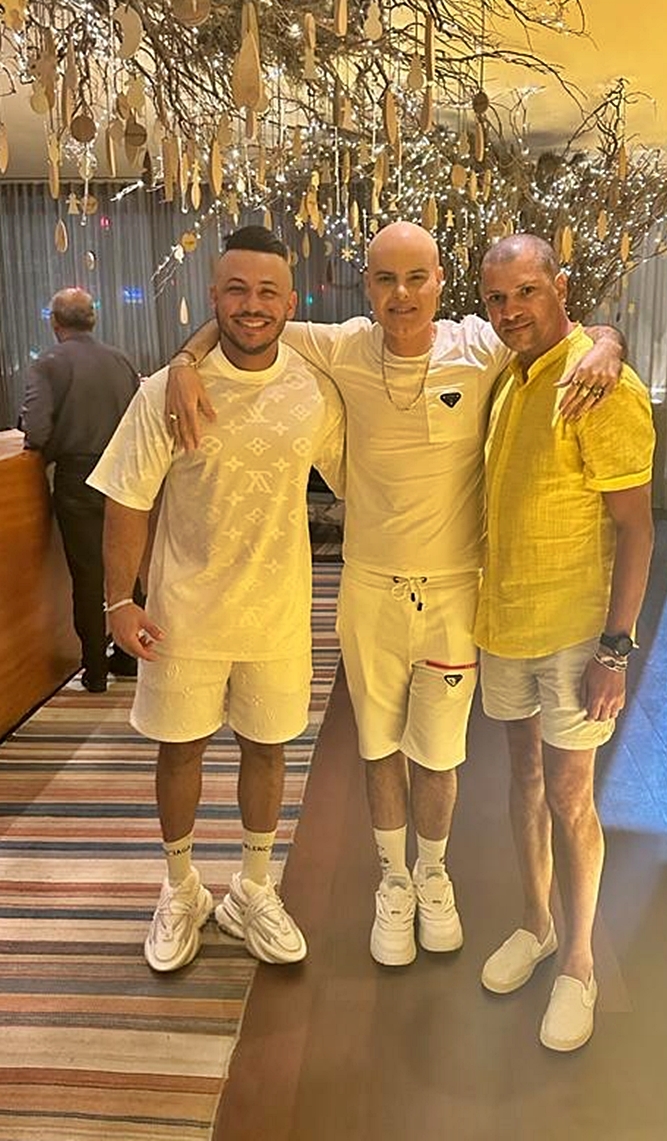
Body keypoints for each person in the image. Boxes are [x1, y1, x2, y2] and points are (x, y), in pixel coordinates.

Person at [166, 221, 624, 968]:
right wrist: (187, 360)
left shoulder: (480, 345)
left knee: (438, 755)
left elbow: (562, 331)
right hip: (368, 588)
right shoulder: (344, 346)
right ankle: (393, 881)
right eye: (385, 279)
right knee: (379, 746)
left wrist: (609, 341)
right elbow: (251, 318)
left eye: (416, 277)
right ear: (368, 287)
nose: (401, 294)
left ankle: (434, 876)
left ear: (440, 282)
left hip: (452, 593)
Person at [87, 226, 345, 972]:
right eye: (236, 289)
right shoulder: (164, 392)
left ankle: (253, 889)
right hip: (183, 615)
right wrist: (118, 602)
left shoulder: (315, 390)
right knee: (180, 751)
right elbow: (127, 498)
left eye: (267, 291)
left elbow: (365, 476)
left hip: (277, 613)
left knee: (269, 749)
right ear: (214, 297)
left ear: (290, 304)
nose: (251, 304)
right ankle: (181, 888)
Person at [475, 234, 655, 1051]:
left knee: (570, 796)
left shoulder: (599, 385)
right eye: (497, 297)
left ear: (560, 286)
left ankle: (580, 962)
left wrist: (615, 651)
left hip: (578, 634)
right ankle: (536, 922)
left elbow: (638, 528)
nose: (511, 309)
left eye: (526, 291)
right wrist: (609, 335)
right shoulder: (513, 377)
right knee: (522, 780)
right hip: (508, 622)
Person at [21, 288, 140, 692]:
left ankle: (95, 670)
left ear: (55, 323)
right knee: (126, 565)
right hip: (125, 475)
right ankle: (129, 656)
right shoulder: (121, 360)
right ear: (93, 320)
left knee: (88, 574)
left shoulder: (48, 363)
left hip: (79, 478)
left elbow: (36, 430)